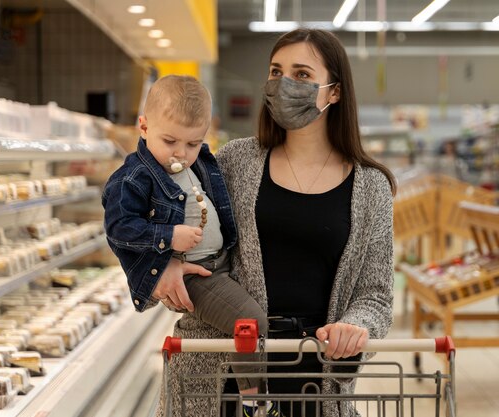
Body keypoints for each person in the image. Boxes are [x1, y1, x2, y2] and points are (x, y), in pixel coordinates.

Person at [157, 29, 396, 417]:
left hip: (314, 375)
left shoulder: (371, 186)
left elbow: (376, 294)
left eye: (302, 74)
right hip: (221, 369)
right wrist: (165, 264)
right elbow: (176, 222)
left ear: (334, 91)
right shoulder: (234, 162)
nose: (284, 84)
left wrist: (354, 326)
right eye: (276, 71)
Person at [101, 75, 275, 416]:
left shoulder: (202, 162)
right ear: (144, 126)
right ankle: (255, 400)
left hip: (222, 262)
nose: (181, 153)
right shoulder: (134, 177)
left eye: (194, 143)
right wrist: (169, 237)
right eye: (170, 141)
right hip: (197, 273)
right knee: (250, 323)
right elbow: (118, 227)